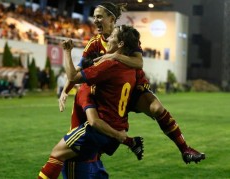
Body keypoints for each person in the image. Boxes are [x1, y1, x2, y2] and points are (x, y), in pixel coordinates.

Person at [59, 2, 205, 166]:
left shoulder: (125, 36)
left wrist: (114, 56)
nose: (95, 20)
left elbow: (138, 62)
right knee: (99, 134)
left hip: (133, 87)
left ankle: (185, 149)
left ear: (111, 19)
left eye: (99, 16)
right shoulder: (93, 43)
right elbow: (77, 71)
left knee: (157, 109)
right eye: (94, 17)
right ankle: (121, 148)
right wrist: (65, 90)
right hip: (109, 96)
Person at [38, 25, 142, 179]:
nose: (108, 39)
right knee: (91, 162)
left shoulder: (108, 66)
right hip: (118, 127)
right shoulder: (131, 69)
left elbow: (73, 76)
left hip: (101, 128)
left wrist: (67, 51)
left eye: (113, 36)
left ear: (120, 44)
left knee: (57, 154)